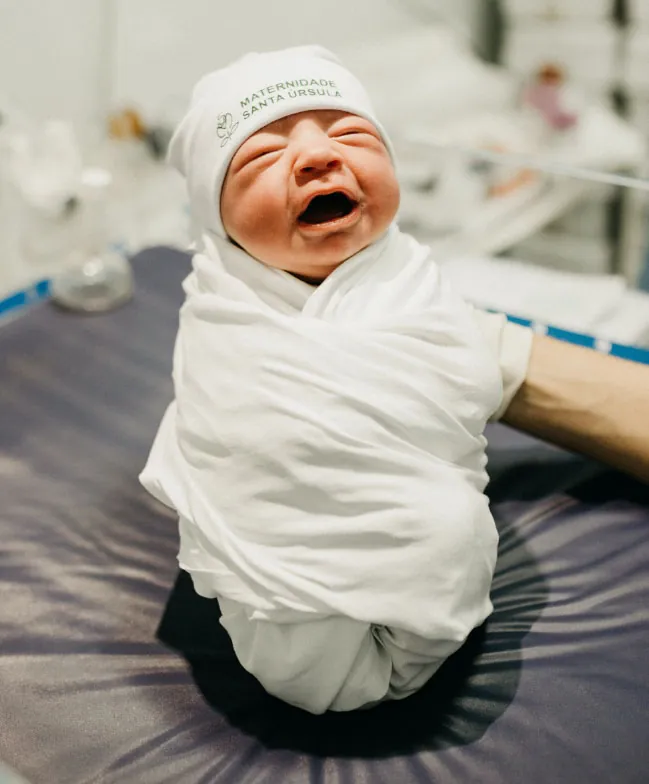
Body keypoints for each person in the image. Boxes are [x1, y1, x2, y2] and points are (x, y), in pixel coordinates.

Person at [139, 45, 641, 717]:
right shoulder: (223, 314)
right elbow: (232, 431)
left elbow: (456, 384)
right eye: (261, 157)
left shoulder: (411, 279)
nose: (317, 156)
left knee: (441, 524)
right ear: (217, 220)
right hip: (293, 610)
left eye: (350, 135)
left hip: (432, 588)